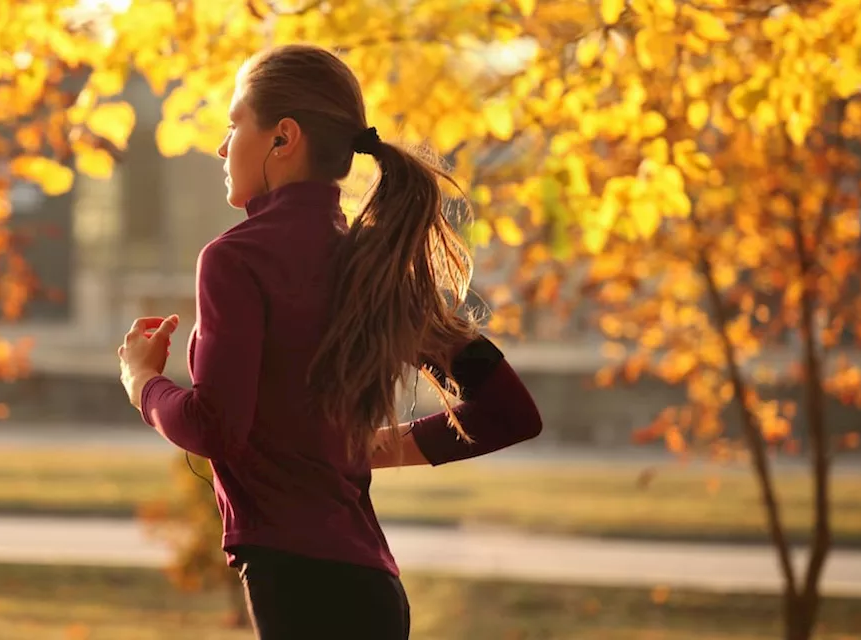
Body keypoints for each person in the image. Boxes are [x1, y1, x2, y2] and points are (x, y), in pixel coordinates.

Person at [117, 44, 543, 640]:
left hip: (300, 591)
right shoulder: (370, 265)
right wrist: (362, 448)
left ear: (282, 137)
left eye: (235, 123)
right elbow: (509, 413)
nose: (221, 145)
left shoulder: (235, 259)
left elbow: (215, 428)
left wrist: (142, 382)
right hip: (371, 588)